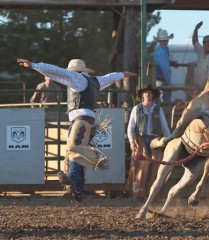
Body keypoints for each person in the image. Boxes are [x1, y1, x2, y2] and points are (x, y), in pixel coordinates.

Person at [17, 58, 137, 202]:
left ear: (74, 71)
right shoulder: (95, 81)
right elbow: (109, 78)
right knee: (75, 155)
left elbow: (56, 71)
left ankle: (84, 172)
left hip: (80, 122)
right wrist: (123, 74)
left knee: (73, 151)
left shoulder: (76, 79)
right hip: (87, 122)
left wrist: (34, 65)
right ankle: (78, 190)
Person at [126, 83, 171, 200]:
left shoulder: (158, 109)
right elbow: (131, 127)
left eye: (149, 93)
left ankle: (152, 194)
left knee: (156, 165)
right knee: (141, 166)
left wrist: (169, 140)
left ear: (152, 95)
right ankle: (138, 193)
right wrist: (131, 141)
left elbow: (164, 126)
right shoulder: (137, 109)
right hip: (140, 138)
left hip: (155, 139)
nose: (147, 94)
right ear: (142, 95)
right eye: (145, 92)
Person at [153, 29, 178, 103]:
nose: (165, 42)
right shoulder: (162, 52)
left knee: (161, 101)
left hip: (160, 80)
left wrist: (170, 62)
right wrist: (170, 84)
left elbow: (162, 64)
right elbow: (165, 69)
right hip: (163, 80)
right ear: (159, 41)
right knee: (165, 102)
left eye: (166, 40)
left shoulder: (160, 50)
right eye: (163, 40)